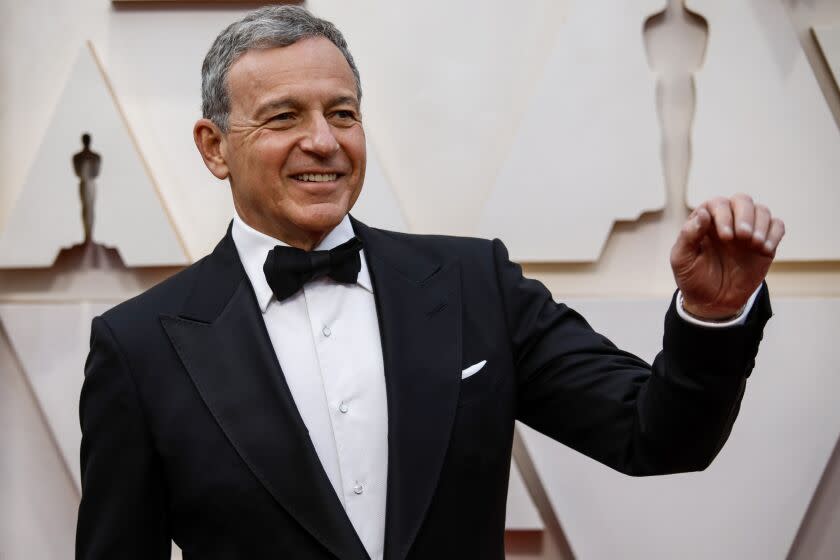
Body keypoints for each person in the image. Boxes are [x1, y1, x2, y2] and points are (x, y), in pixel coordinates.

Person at [75, 6, 784, 560]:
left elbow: (656, 438)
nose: (323, 140)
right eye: (284, 116)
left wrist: (711, 316)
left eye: (342, 113)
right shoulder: (138, 348)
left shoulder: (477, 284)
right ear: (213, 147)